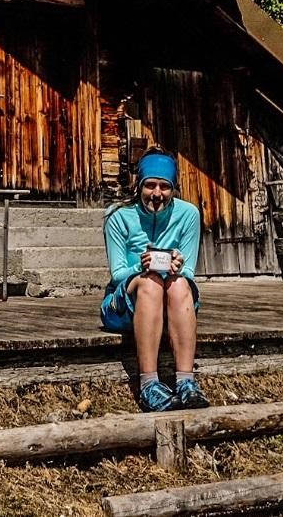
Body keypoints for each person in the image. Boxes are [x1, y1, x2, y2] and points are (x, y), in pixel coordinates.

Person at [100, 147, 210, 412]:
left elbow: (190, 273)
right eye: (150, 185)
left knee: (181, 283)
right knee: (150, 282)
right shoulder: (117, 216)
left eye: (165, 186)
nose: (157, 194)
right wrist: (141, 265)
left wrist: (177, 267)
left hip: (172, 301)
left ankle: (185, 381)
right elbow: (117, 273)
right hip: (125, 304)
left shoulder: (189, 215)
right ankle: (149, 384)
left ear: (174, 188)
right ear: (139, 184)